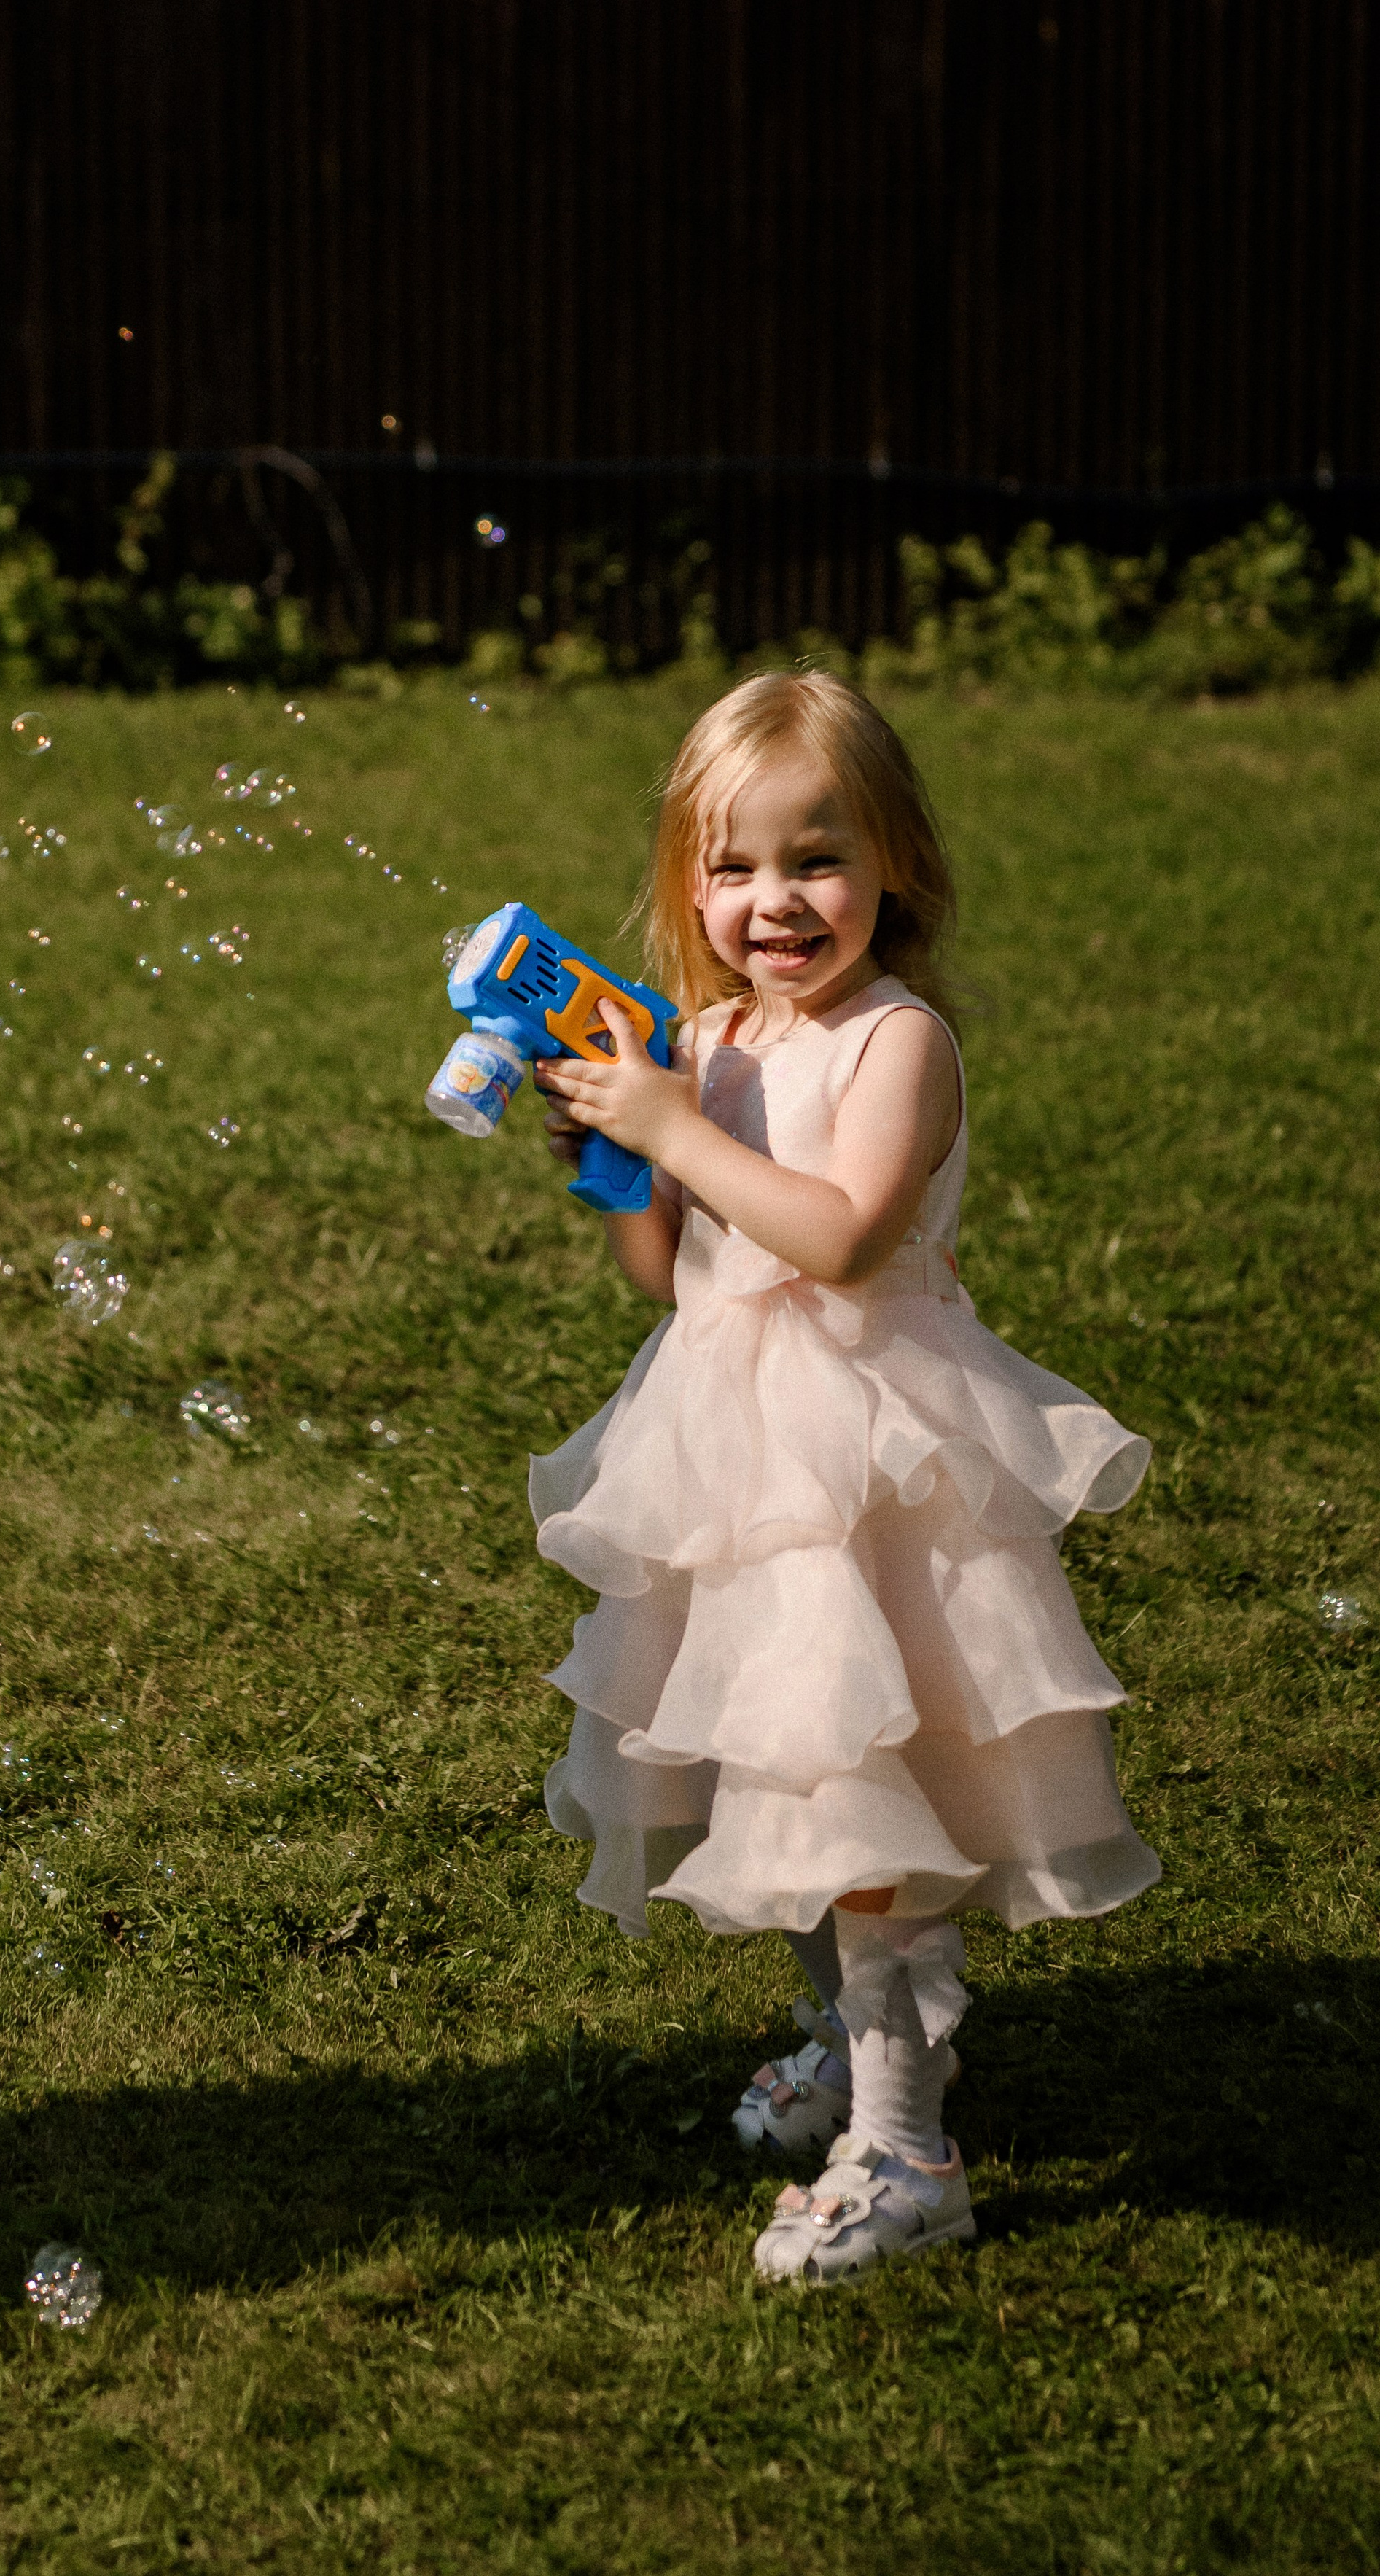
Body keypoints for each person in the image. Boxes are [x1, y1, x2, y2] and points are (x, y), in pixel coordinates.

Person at [531, 669, 1157, 2285]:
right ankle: (849, 2045)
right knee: (787, 1778)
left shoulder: (899, 1041)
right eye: (730, 868)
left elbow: (837, 1233)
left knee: (861, 1791)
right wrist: (620, 1155)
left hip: (870, 1465)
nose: (773, 901)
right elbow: (671, 1278)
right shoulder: (714, 1037)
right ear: (687, 883)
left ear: (895, 862)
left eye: (816, 857)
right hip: (734, 1462)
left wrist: (673, 1123)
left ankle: (906, 2146)